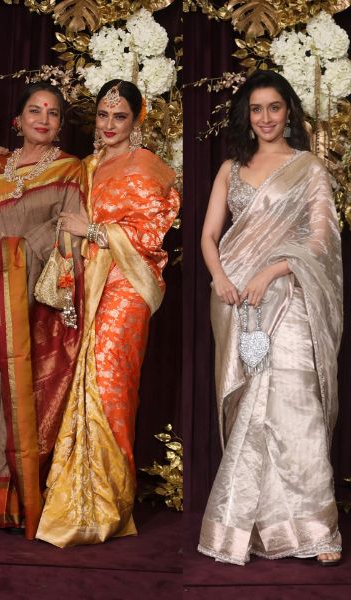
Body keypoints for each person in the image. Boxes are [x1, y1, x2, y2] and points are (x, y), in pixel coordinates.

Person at [0, 80, 179, 547]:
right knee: (74, 384)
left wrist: (92, 230)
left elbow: (150, 235)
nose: (109, 125)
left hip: (126, 286)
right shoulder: (84, 167)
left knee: (109, 385)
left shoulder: (148, 167)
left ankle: (106, 505)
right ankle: (72, 500)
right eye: (103, 116)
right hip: (84, 284)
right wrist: (0, 156)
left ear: (136, 121)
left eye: (120, 117)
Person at [198, 70, 342, 566]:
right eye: (256, 109)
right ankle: (257, 528)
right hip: (237, 300)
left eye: (274, 107)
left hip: (291, 293)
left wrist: (273, 271)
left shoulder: (308, 168)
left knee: (296, 403)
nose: (265, 118)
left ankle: (316, 530)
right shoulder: (231, 168)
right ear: (247, 115)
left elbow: (320, 241)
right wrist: (221, 279)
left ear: (288, 112)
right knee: (251, 408)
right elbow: (208, 237)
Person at [0, 82, 86, 540]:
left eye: (52, 113)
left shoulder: (70, 170)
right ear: (18, 120)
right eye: (34, 111)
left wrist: (17, 253)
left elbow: (70, 232)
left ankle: (19, 501)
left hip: (35, 302)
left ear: (61, 125)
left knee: (26, 388)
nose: (43, 119)